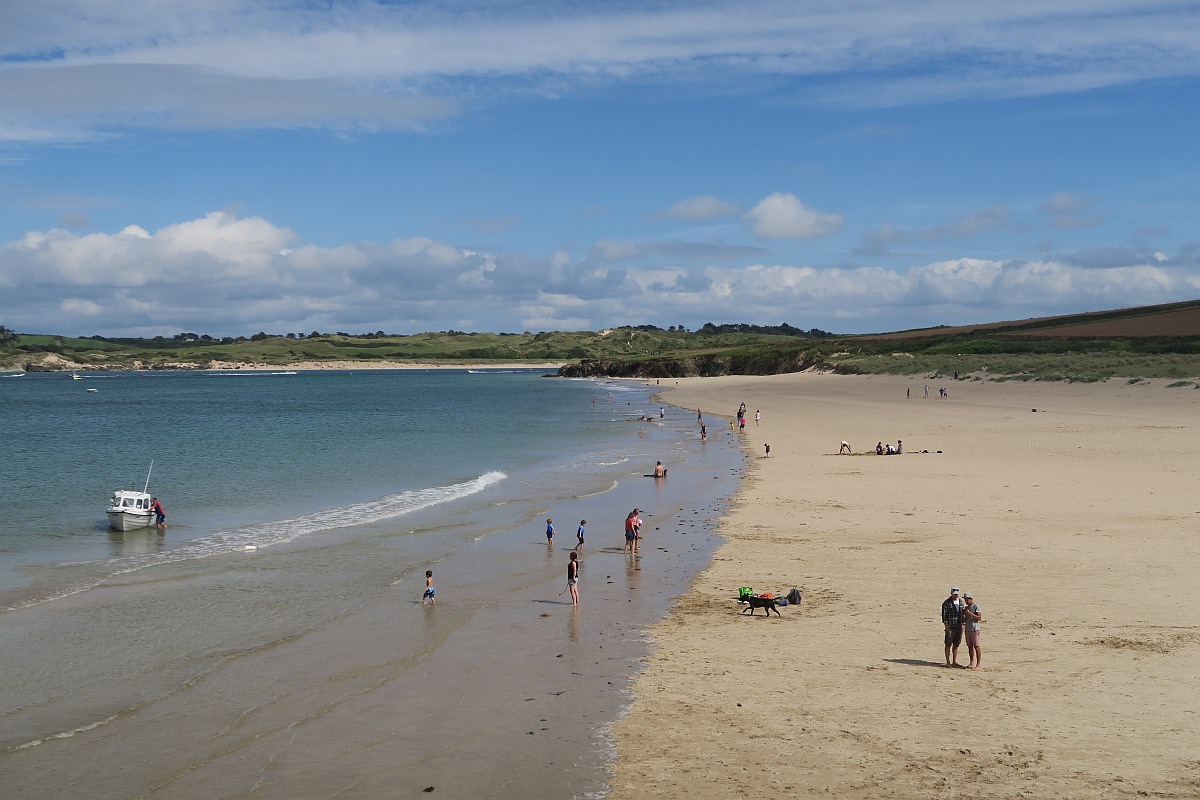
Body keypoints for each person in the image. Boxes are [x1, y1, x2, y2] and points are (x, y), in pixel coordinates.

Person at [941, 587, 964, 667]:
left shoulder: (961, 602)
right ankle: (948, 662)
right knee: (948, 644)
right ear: (951, 594)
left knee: (956, 644)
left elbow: (963, 614)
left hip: (959, 626)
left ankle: (954, 661)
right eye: (954, 594)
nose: (955, 596)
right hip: (950, 626)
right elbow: (944, 616)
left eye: (957, 595)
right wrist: (946, 626)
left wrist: (963, 624)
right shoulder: (946, 603)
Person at [963, 592, 983, 669]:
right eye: (965, 600)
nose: (966, 601)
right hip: (968, 629)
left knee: (976, 646)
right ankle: (971, 662)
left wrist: (970, 614)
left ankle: (978, 664)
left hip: (975, 629)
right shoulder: (967, 608)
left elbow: (979, 618)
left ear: (970, 599)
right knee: (970, 646)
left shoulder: (976, 606)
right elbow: (965, 619)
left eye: (967, 599)